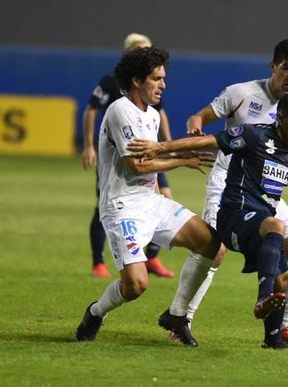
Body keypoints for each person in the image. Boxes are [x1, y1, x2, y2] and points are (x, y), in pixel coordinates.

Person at [129, 92, 288, 349]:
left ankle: (272, 339)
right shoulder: (253, 136)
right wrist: (160, 148)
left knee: (283, 277)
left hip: (260, 221)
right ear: (280, 117)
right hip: (233, 215)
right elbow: (210, 140)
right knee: (276, 226)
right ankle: (262, 298)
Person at [75, 47, 221, 345]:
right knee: (136, 286)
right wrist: (181, 159)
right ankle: (96, 311)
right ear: (137, 80)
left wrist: (161, 194)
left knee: (212, 244)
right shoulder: (119, 111)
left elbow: (149, 167)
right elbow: (136, 164)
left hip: (151, 201)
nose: (163, 85)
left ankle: (178, 315)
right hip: (122, 207)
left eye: (163, 78)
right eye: (157, 78)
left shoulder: (152, 116)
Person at [183, 38, 288, 346]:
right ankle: (183, 318)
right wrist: (195, 132)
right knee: (214, 250)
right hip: (228, 184)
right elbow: (198, 117)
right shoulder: (241, 93)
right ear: (273, 66)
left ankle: (283, 326)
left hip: (268, 191)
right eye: (287, 68)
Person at [82, 33, 175, 278]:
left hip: (149, 150)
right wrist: (89, 145)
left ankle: (152, 258)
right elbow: (91, 110)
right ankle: (98, 261)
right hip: (119, 158)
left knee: (164, 197)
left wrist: (168, 143)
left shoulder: (151, 88)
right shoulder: (113, 82)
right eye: (142, 51)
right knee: (103, 207)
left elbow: (159, 114)